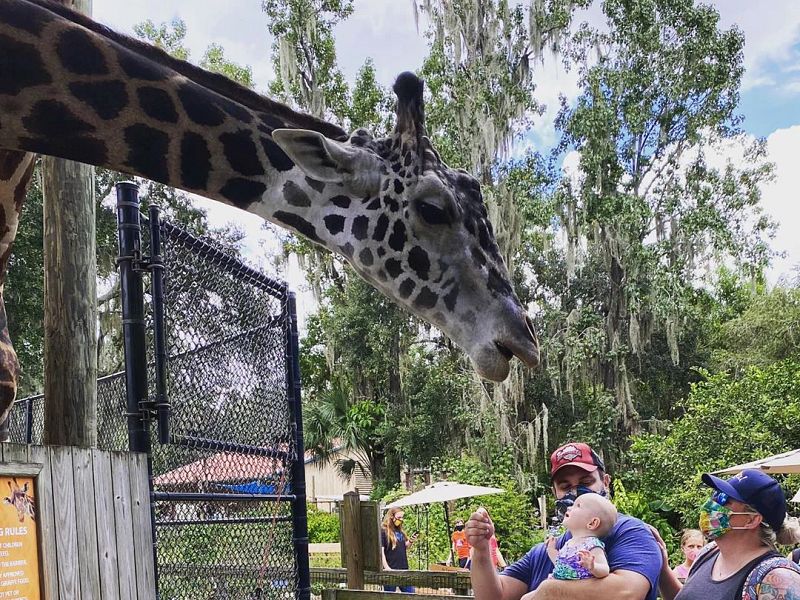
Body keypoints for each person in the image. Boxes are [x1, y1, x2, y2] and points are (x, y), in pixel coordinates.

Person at [467, 441, 662, 600]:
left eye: (586, 482)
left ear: (605, 482)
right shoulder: (543, 552)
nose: (576, 492)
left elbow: (628, 592)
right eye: (565, 486)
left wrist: (549, 591)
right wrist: (482, 549)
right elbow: (494, 596)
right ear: (555, 493)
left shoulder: (631, 532)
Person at [654, 469, 800, 600]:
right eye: (715, 495)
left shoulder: (778, 580)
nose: (711, 504)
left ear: (751, 519)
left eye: (724, 499)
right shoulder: (709, 552)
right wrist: (663, 569)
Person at [546, 492, 617, 580]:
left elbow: (605, 570)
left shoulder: (592, 544)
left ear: (592, 523)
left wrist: (592, 566)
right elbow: (560, 564)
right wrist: (551, 550)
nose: (569, 507)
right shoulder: (569, 543)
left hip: (575, 591)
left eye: (578, 505)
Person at [380, 507, 419, 593]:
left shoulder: (400, 531)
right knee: (390, 596)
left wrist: (411, 540)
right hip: (391, 569)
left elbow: (404, 547)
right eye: (399, 517)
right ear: (392, 517)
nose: (401, 520)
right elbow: (381, 552)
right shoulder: (383, 531)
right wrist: (387, 568)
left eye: (402, 517)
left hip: (403, 569)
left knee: (410, 593)